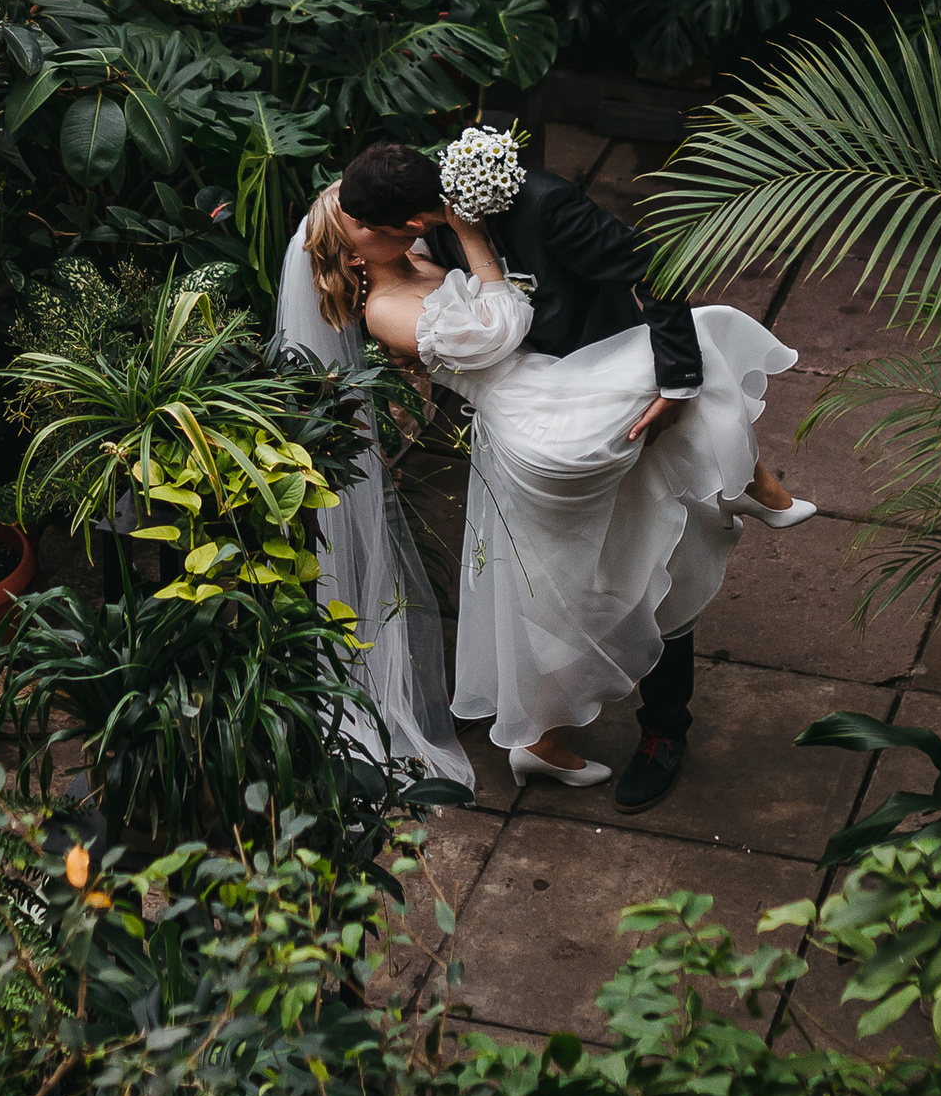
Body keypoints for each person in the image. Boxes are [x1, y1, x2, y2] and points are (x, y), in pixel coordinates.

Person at [334, 137, 802, 804]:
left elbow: (654, 271)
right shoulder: (413, 245)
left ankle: (662, 730)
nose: (360, 238)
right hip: (539, 431)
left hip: (614, 395)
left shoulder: (543, 206)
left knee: (663, 558)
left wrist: (673, 383)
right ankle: (537, 723)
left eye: (365, 230)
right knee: (550, 584)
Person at [274, 195, 472, 793]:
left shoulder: (361, 224)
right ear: (356, 260)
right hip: (375, 419)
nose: (402, 226)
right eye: (368, 226)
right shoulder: (382, 307)